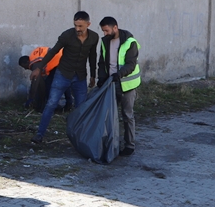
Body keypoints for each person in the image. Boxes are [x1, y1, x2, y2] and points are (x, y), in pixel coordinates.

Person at [31, 11, 99, 144]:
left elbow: (92, 56)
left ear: (88, 24)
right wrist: (39, 68)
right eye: (75, 25)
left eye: (80, 26)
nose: (77, 29)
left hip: (80, 76)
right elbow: (53, 51)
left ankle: (80, 137)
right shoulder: (67, 35)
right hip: (63, 74)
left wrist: (93, 75)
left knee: (81, 107)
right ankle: (40, 134)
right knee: (51, 103)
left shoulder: (94, 37)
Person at [96, 16, 141, 156]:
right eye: (103, 31)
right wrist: (101, 78)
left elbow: (131, 64)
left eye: (106, 30)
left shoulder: (130, 42)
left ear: (115, 27)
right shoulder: (105, 41)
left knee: (127, 115)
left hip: (127, 85)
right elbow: (102, 62)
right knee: (110, 116)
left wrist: (118, 74)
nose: (105, 33)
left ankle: (129, 145)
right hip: (111, 84)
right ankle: (111, 144)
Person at [17, 46, 73, 112]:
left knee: (50, 87)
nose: (25, 69)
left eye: (24, 66)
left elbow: (35, 82)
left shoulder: (34, 64)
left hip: (59, 63)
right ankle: (68, 105)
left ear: (27, 62)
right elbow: (41, 82)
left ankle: (55, 107)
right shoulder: (34, 56)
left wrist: (31, 98)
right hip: (64, 60)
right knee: (63, 83)